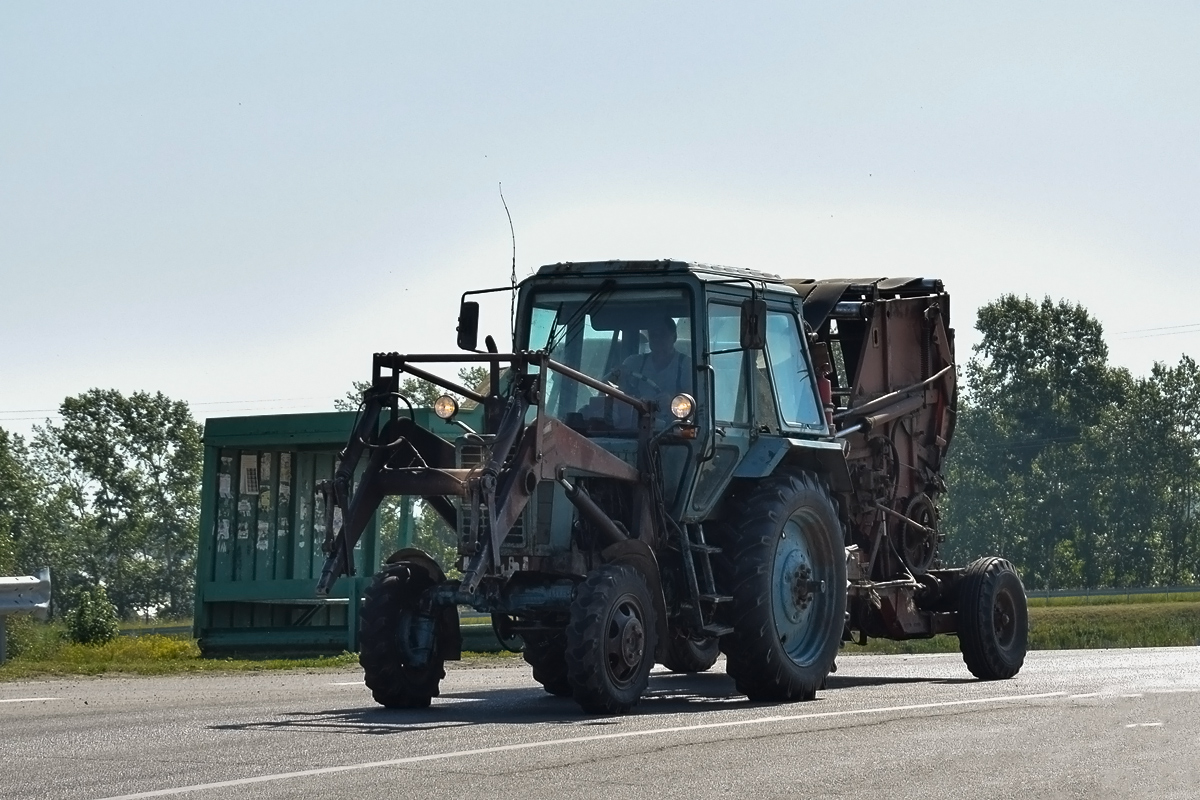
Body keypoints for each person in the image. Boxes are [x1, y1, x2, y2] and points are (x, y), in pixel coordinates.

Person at [608, 316, 692, 423]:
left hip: (673, 430)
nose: (657, 339)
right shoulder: (633, 363)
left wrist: (672, 401)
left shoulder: (686, 365)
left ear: (674, 337)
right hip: (634, 428)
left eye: (662, 334)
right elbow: (609, 386)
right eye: (653, 335)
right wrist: (620, 379)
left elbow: (694, 402)